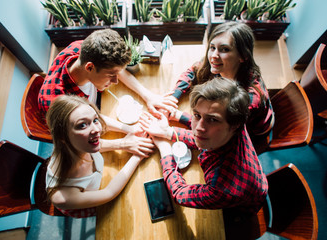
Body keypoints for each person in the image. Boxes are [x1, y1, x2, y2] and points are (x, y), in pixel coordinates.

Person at [38, 29, 175, 157]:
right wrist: (123, 143)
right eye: (111, 75)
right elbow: (78, 143)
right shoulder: (59, 104)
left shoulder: (83, 49)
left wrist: (148, 96)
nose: (116, 80)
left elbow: (116, 69)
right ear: (90, 67)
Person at [141, 77, 268, 214]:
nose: (198, 128)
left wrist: (165, 149)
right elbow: (205, 135)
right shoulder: (234, 123)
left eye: (212, 120)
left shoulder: (222, 189)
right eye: (196, 115)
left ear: (234, 125)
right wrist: (170, 127)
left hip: (240, 210)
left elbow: (179, 193)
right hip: (254, 178)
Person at [163, 22, 274, 152]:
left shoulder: (249, 99)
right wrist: (174, 98)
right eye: (212, 47)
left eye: (225, 49)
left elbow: (215, 137)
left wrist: (172, 126)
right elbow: (192, 71)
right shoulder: (220, 65)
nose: (214, 56)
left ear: (243, 56)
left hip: (252, 134)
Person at [45, 95, 147, 218]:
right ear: (63, 137)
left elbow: (99, 123)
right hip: (88, 203)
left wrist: (130, 131)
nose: (96, 130)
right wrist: (137, 157)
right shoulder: (62, 197)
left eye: (95, 120)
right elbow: (109, 192)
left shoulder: (80, 144)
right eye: (82, 125)